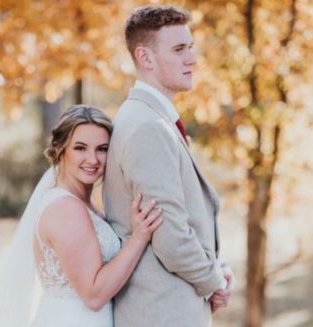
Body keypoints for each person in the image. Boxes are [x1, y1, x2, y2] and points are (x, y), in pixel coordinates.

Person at [103, 5, 235, 327]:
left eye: (190, 47)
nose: (192, 59)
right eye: (178, 50)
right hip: (161, 314)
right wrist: (213, 281)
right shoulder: (147, 126)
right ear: (145, 58)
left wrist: (216, 266)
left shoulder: (152, 119)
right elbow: (170, 236)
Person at [0, 104, 163, 327]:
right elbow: (93, 295)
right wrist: (138, 239)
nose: (92, 159)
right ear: (61, 150)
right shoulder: (66, 208)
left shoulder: (84, 204)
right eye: (80, 148)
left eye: (102, 149)